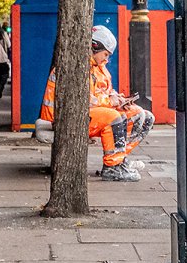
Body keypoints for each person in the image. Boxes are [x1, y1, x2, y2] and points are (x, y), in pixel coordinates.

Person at [35, 26, 155, 179]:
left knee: (144, 116)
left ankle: (120, 159)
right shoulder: (76, 66)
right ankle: (112, 167)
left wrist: (118, 99)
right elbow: (82, 100)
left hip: (87, 114)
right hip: (64, 118)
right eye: (105, 54)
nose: (107, 59)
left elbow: (104, 92)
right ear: (94, 46)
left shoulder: (99, 67)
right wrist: (110, 102)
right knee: (113, 117)